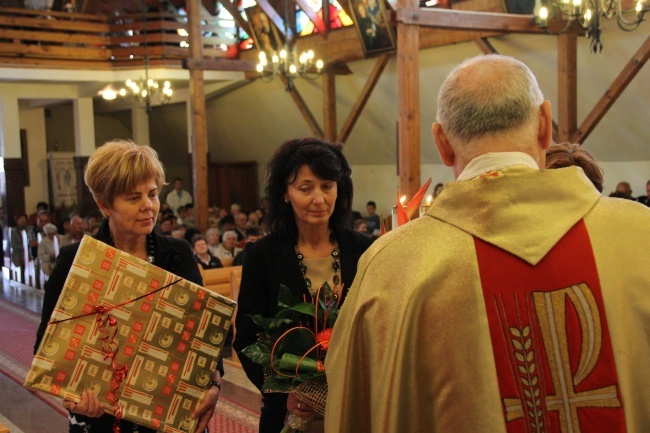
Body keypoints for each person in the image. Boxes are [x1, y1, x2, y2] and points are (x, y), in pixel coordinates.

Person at [324, 55, 650, 433]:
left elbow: (353, 409)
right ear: (545, 124)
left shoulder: (389, 267)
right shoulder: (641, 236)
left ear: (442, 144)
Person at [34, 140, 222, 433]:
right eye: (134, 198)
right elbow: (47, 345)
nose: (148, 206)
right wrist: (71, 395)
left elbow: (204, 333)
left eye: (153, 194)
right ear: (104, 204)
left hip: (170, 412)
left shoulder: (178, 253)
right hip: (102, 417)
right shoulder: (78, 259)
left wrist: (213, 384)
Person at [233, 138, 374, 433]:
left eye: (327, 185)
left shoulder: (365, 249)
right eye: (305, 188)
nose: (319, 199)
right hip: (289, 416)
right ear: (285, 193)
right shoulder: (263, 255)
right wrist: (285, 394)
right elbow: (247, 339)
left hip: (355, 409)